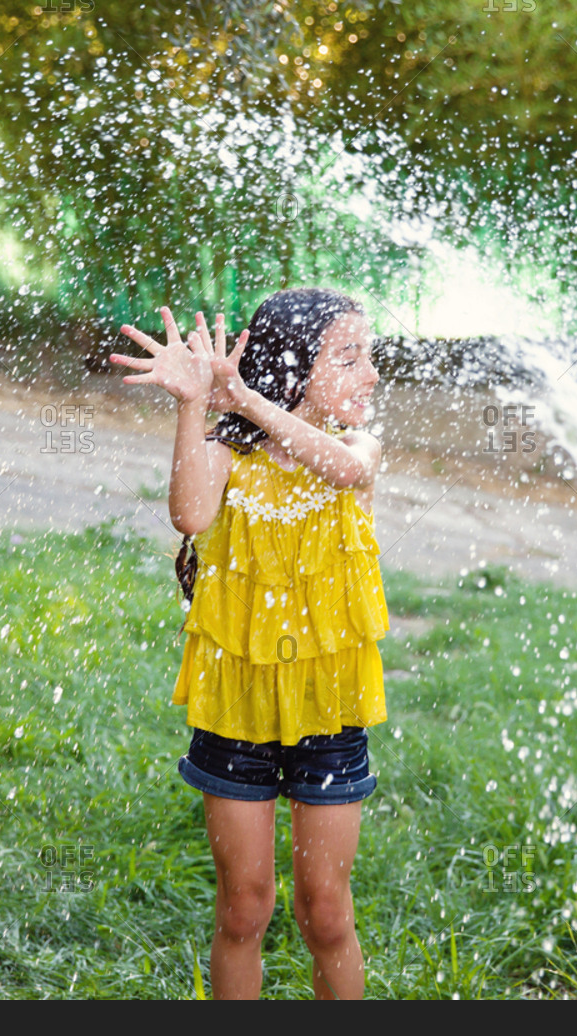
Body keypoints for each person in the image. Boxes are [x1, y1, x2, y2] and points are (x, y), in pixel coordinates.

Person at [110, 290, 385, 999]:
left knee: (326, 912)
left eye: (370, 356)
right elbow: (190, 511)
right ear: (292, 363)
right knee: (244, 907)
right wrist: (194, 405)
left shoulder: (353, 449)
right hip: (236, 709)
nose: (372, 375)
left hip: (329, 708)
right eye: (349, 357)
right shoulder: (226, 455)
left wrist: (247, 399)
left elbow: (351, 473)